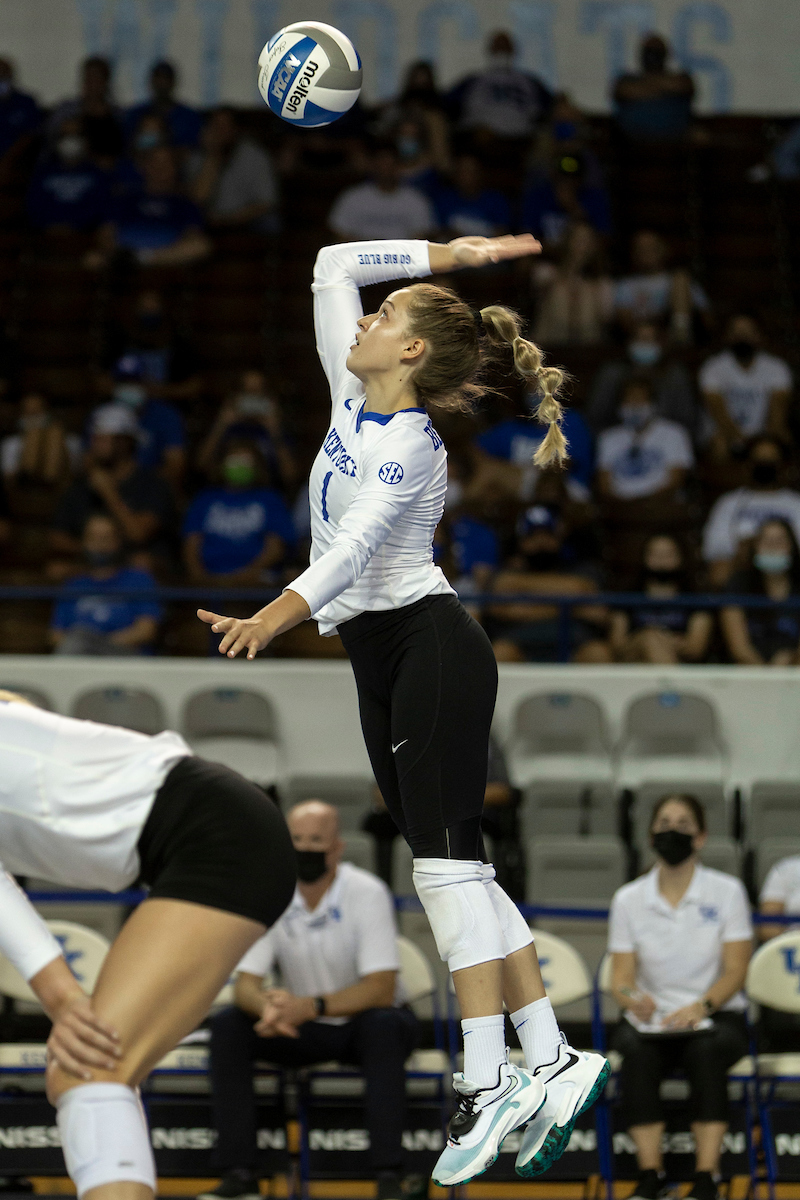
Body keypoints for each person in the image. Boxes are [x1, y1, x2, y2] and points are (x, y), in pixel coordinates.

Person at [196, 232, 610, 1187]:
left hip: (430, 643)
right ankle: (545, 1053)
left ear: (412, 352)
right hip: (379, 655)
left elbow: (352, 550)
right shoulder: (352, 394)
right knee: (462, 869)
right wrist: (451, 256)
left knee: (444, 871)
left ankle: (484, 1078)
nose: (369, 316)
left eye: (389, 317)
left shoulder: (412, 445)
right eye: (378, 313)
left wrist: (274, 615)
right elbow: (336, 265)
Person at [0, 690, 295, 1200]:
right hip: (214, 833)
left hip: (214, 837)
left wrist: (65, 1001)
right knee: (96, 1073)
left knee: (88, 1069)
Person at [202, 800, 417, 1200]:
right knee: (229, 1024)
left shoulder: (367, 892)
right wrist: (268, 1008)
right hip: (299, 1025)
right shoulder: (271, 891)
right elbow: (244, 984)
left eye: (315, 840)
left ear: (336, 848)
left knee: (385, 1027)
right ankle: (240, 1174)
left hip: (362, 1024)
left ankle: (390, 1176)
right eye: (296, 840)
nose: (304, 849)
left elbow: (381, 988)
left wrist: (311, 1006)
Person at [609, 793, 752, 1200]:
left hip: (715, 1015)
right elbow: (619, 979)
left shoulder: (727, 892)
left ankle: (706, 1178)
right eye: (664, 822)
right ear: (651, 834)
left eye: (684, 824)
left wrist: (701, 1007)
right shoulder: (629, 899)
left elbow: (737, 970)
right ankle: (650, 1175)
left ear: (701, 837)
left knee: (706, 1052)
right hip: (653, 1021)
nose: (672, 830)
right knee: (634, 1052)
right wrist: (632, 998)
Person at [49, 403, 175, 575]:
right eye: (95, 439)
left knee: (141, 563)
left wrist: (109, 493)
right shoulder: (80, 486)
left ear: (125, 442)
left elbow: (138, 534)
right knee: (56, 570)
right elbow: (57, 537)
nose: (95, 445)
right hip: (91, 566)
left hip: (131, 565)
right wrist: (94, 550)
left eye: (103, 439)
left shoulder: (152, 484)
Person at [486, 504, 608, 663]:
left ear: (558, 538)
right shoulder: (506, 574)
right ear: (522, 541)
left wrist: (527, 600)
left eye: (547, 535)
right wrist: (569, 607)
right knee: (499, 652)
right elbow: (499, 608)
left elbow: (591, 603)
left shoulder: (581, 569)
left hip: (574, 642)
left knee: (598, 653)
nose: (541, 543)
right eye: (533, 537)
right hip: (520, 642)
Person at [183, 442, 295, 586]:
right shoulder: (205, 499)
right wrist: (199, 578)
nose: (240, 467)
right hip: (208, 577)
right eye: (234, 461)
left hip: (255, 578)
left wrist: (245, 575)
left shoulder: (270, 499)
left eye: (246, 462)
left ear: (257, 466)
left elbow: (275, 548)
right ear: (221, 465)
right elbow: (191, 543)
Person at [50, 514, 161, 656]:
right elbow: (55, 636)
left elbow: (146, 631)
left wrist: (98, 644)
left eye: (106, 538)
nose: (100, 545)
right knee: (77, 639)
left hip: (126, 660)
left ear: (118, 541)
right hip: (81, 660)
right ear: (83, 542)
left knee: (79, 639)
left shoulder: (139, 580)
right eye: (93, 538)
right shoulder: (73, 585)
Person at [87, 145, 210, 269]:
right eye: (154, 161)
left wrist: (145, 257)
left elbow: (193, 235)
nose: (160, 167)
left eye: (166, 162)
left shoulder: (185, 203)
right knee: (92, 260)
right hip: (122, 257)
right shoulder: (125, 198)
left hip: (166, 260)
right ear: (144, 166)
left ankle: (140, 259)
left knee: (200, 246)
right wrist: (114, 251)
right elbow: (106, 232)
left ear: (175, 168)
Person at [702, 437, 800, 586]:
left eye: (770, 461)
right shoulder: (729, 502)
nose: (765, 465)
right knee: (719, 571)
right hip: (742, 565)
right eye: (760, 460)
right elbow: (715, 548)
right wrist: (750, 549)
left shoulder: (795, 501)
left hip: (788, 566)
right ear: (748, 464)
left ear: (781, 465)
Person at [609, 534, 712, 664]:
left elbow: (695, 648)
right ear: (643, 557)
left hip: (681, 664)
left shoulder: (695, 599)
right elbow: (617, 646)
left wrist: (660, 641)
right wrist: (646, 638)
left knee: (652, 642)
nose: (661, 560)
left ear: (681, 558)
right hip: (632, 661)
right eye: (655, 554)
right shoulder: (627, 597)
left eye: (668, 555)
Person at [699, 315, 793, 459]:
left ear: (758, 336)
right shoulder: (713, 367)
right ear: (728, 336)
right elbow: (718, 412)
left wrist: (762, 439)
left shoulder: (777, 368)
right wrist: (739, 439)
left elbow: (777, 414)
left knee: (770, 448)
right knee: (720, 444)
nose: (742, 337)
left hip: (762, 433)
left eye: (747, 332)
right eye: (737, 332)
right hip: (725, 432)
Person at [586, 320, 697, 435]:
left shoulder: (675, 375)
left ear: (661, 344)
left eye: (649, 339)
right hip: (619, 440)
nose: (644, 344)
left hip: (666, 440)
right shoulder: (611, 374)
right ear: (630, 342)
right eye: (640, 339)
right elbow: (595, 417)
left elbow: (688, 419)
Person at [473, 397, 594, 501]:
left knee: (492, 473)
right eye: (532, 386)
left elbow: (563, 464)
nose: (538, 393)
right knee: (488, 481)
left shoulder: (570, 421)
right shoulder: (513, 427)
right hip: (522, 484)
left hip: (567, 487)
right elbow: (475, 451)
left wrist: (511, 472)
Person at [596, 377, 694, 504]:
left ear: (653, 404)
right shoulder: (608, 438)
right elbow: (604, 484)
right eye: (628, 401)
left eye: (639, 400)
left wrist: (645, 504)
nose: (634, 406)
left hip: (661, 508)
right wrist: (624, 507)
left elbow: (677, 480)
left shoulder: (674, 433)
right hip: (620, 510)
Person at [196, 370, 297, 491]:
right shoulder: (227, 428)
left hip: (265, 494)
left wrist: (274, 430)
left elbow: (291, 476)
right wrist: (221, 424)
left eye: (257, 391)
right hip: (226, 492)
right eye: (247, 391)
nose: (252, 396)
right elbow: (200, 465)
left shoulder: (276, 431)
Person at [720, 519, 800, 666]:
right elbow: (739, 648)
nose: (772, 547)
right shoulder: (739, 584)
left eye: (779, 541)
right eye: (766, 541)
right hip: (750, 671)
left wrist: (791, 659)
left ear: (792, 546)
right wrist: (766, 675)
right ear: (755, 547)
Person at [447, 31, 552, 143]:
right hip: (481, 137)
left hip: (524, 137)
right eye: (498, 47)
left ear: (513, 50)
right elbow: (446, 102)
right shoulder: (473, 81)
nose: (502, 51)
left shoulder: (530, 82)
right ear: (490, 49)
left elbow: (551, 104)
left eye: (505, 47)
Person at [188, 108, 279, 232]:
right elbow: (196, 201)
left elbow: (267, 203)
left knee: (270, 222)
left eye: (225, 126)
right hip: (208, 221)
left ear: (235, 129)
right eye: (215, 125)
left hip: (247, 220)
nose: (220, 132)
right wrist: (213, 155)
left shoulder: (254, 155)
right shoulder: (198, 155)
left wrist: (230, 220)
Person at [613, 230, 709, 343]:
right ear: (633, 253)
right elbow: (625, 322)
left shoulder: (680, 281)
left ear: (663, 249)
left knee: (680, 277)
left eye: (652, 247)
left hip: (674, 332)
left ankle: (680, 336)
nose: (647, 252)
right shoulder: (625, 285)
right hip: (642, 337)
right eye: (641, 248)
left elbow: (707, 319)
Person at [107, 353, 186, 486]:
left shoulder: (166, 415)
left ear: (147, 383)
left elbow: (175, 466)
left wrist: (140, 484)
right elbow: (89, 462)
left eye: (134, 382)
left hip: (152, 488)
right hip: (111, 486)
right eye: (123, 382)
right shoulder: (103, 415)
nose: (129, 387)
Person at [328, 143, 435, 241]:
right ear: (373, 166)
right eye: (381, 164)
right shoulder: (352, 197)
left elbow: (420, 237)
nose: (385, 169)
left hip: (401, 259)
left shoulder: (415, 200)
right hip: (360, 258)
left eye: (390, 164)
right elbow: (340, 234)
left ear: (398, 166)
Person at [532, 222, 613, 346]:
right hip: (551, 339)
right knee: (560, 291)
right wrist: (573, 267)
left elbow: (607, 317)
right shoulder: (545, 271)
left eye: (587, 241)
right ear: (567, 241)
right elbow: (537, 297)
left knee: (587, 293)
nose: (582, 246)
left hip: (588, 341)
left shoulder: (602, 282)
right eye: (578, 239)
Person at [27, 117, 110, 233]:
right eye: (65, 135)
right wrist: (51, 226)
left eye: (76, 135)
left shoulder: (98, 174)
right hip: (47, 235)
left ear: (86, 140)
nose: (70, 140)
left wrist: (75, 227)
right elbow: (34, 207)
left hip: (84, 237)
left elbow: (100, 208)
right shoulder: (43, 173)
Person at [521, 148, 611, 250]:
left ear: (581, 179)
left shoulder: (594, 198)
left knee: (583, 233)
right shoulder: (538, 196)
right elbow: (527, 234)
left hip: (584, 258)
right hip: (545, 255)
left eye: (573, 178)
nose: (568, 183)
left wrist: (574, 208)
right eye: (563, 178)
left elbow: (604, 241)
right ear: (554, 176)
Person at [613, 34, 695, 142]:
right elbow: (625, 91)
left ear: (665, 54)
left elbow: (682, 86)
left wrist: (645, 88)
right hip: (631, 144)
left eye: (657, 52)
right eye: (649, 51)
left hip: (674, 143)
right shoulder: (626, 80)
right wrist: (664, 89)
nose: (652, 56)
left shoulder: (682, 78)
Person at [48, 56, 124, 165]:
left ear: (105, 82)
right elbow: (49, 137)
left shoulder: (118, 115)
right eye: (89, 78)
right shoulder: (66, 110)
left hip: (107, 169)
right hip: (71, 165)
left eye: (97, 78)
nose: (92, 84)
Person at [1, 391, 80, 487]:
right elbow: (9, 478)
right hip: (25, 491)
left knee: (55, 433)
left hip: (61, 491)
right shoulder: (10, 444)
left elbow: (76, 473)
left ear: (47, 412)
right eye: (28, 413)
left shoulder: (70, 440)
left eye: (36, 412)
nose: (32, 418)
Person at [123, 61, 202, 151]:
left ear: (173, 82)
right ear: (152, 81)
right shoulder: (134, 115)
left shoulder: (189, 117)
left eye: (166, 78)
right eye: (158, 78)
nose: (162, 83)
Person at [431, 153, 510, 237]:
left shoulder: (496, 200)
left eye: (472, 171)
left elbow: (502, 232)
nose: (467, 176)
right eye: (463, 171)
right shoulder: (444, 200)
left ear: (481, 173)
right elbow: (437, 232)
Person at [0, 58, 41, 163]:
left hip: (18, 163)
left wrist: (8, 160)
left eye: (3, 75)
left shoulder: (26, 102)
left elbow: (31, 134)